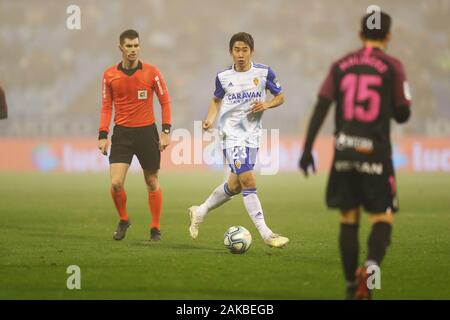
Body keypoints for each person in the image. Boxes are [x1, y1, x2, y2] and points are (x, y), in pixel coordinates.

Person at [298, 11, 411, 299]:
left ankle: (351, 287)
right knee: (382, 218)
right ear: (388, 36)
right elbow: (402, 113)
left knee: (349, 219)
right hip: (375, 152)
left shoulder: (341, 65)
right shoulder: (393, 66)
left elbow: (322, 105)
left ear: (360, 35)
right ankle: (370, 274)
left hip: (345, 151)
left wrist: (308, 148)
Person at [188, 32, 289, 248]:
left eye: (245, 50)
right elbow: (216, 100)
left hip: (252, 136)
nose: (241, 54)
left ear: (251, 51)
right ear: (230, 52)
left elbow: (280, 97)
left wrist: (267, 104)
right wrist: (210, 119)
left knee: (234, 186)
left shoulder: (263, 73)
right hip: (230, 135)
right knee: (248, 181)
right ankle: (266, 233)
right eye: (237, 50)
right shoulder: (223, 77)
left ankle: (200, 210)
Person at [98, 29, 172, 241]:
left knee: (151, 181)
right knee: (116, 183)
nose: (133, 50)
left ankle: (155, 227)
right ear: (120, 48)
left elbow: (165, 101)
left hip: (147, 133)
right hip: (122, 134)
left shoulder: (152, 72)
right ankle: (124, 219)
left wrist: (166, 131)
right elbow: (106, 107)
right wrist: (103, 135)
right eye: (128, 46)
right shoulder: (109, 75)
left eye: (136, 45)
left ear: (140, 46)